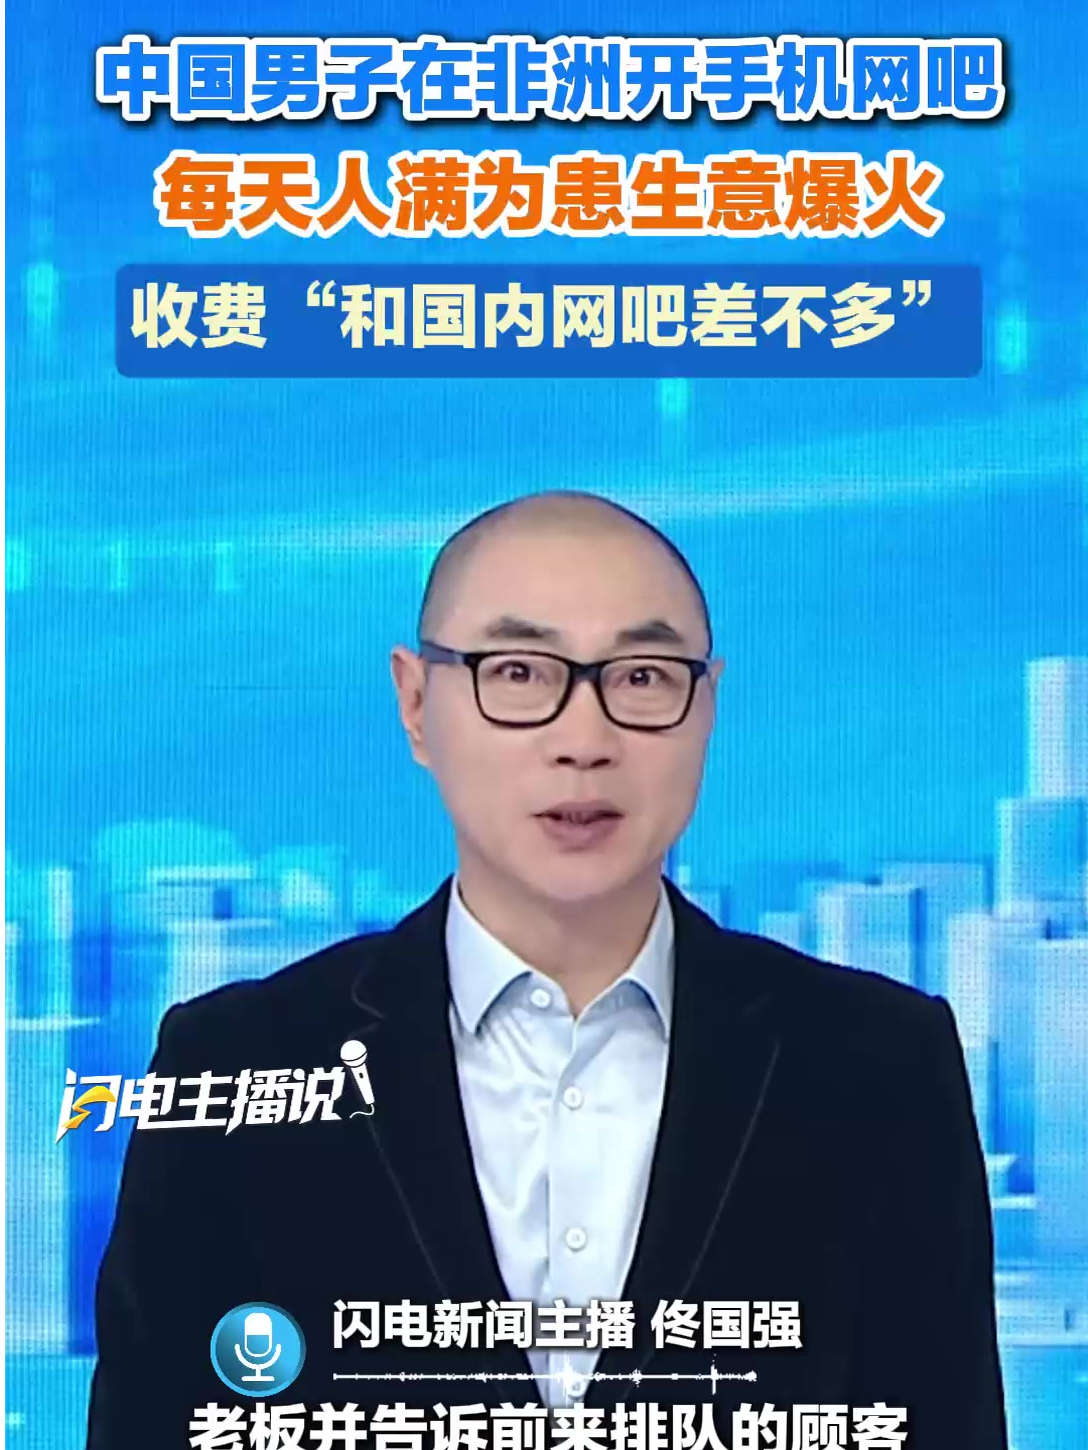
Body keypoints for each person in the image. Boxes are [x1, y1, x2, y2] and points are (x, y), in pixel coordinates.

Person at [86, 490, 1008, 1448]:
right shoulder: (237, 1060)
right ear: (416, 703)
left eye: (643, 677)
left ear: (706, 707)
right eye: (518, 673)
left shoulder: (876, 1062)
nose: (583, 741)